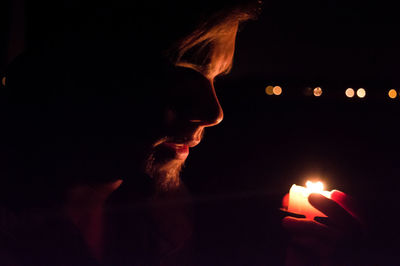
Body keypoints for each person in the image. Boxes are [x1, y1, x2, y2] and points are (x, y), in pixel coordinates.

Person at [0, 0, 363, 265]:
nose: (214, 113)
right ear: (89, 66)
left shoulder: (165, 210)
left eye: (216, 79)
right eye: (182, 73)